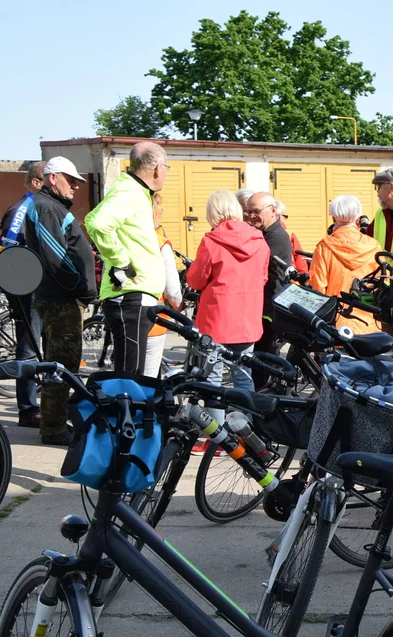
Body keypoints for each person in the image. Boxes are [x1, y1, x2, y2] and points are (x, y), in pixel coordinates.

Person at [186, 190, 270, 453]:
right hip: (248, 319)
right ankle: (246, 433)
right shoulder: (259, 241)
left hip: (216, 320)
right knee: (243, 377)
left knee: (213, 380)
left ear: (214, 213)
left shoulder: (212, 241)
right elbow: (263, 278)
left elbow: (197, 280)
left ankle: (218, 438)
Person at [22, 157, 98, 444]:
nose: (76, 186)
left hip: (63, 297)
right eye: (71, 180)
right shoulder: (46, 207)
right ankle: (53, 429)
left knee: (63, 365)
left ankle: (56, 423)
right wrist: (81, 287)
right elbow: (58, 257)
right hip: (60, 299)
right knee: (61, 367)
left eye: (78, 181)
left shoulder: (51, 207)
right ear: (53, 178)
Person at [85, 141, 169, 374]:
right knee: (128, 378)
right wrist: (121, 261)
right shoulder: (129, 191)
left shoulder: (137, 191)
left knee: (134, 376)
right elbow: (97, 223)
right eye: (167, 168)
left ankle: (129, 410)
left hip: (136, 296)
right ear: (156, 168)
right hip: (130, 296)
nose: (165, 174)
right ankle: (123, 411)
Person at [0, 161, 46, 428]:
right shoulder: (22, 210)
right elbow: (8, 257)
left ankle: (46, 406)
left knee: (45, 351)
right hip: (30, 292)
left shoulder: (38, 207)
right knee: (28, 350)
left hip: (44, 291)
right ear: (36, 182)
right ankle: (28, 410)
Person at [308, 195, 380, 336]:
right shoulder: (374, 246)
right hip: (368, 322)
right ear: (358, 218)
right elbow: (381, 283)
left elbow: (317, 287)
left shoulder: (325, 246)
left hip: (336, 324)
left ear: (334, 218)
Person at [245, 190, 294, 388]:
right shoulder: (264, 233)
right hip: (263, 305)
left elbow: (260, 270)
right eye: (248, 212)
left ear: (273, 210)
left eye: (256, 211)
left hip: (269, 308)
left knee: (263, 359)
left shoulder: (276, 236)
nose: (251, 216)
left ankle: (260, 400)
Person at [143, 192, 184, 377]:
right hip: (153, 317)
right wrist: (179, 307)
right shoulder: (160, 243)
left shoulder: (121, 238)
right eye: (160, 207)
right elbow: (172, 290)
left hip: (122, 315)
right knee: (149, 377)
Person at [275, 199, 310, 273]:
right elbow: (300, 258)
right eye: (285, 216)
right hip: (288, 276)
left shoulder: (258, 233)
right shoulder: (289, 234)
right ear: (280, 216)